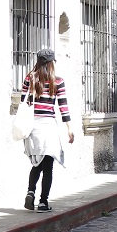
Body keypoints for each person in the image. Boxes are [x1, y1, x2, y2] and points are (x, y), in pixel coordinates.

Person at [20, 48, 75, 212]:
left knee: (37, 163)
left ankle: (31, 192)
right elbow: (63, 106)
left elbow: (23, 103)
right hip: (49, 126)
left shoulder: (29, 78)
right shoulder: (58, 81)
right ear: (51, 63)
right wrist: (69, 128)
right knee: (48, 166)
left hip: (33, 126)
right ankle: (43, 202)